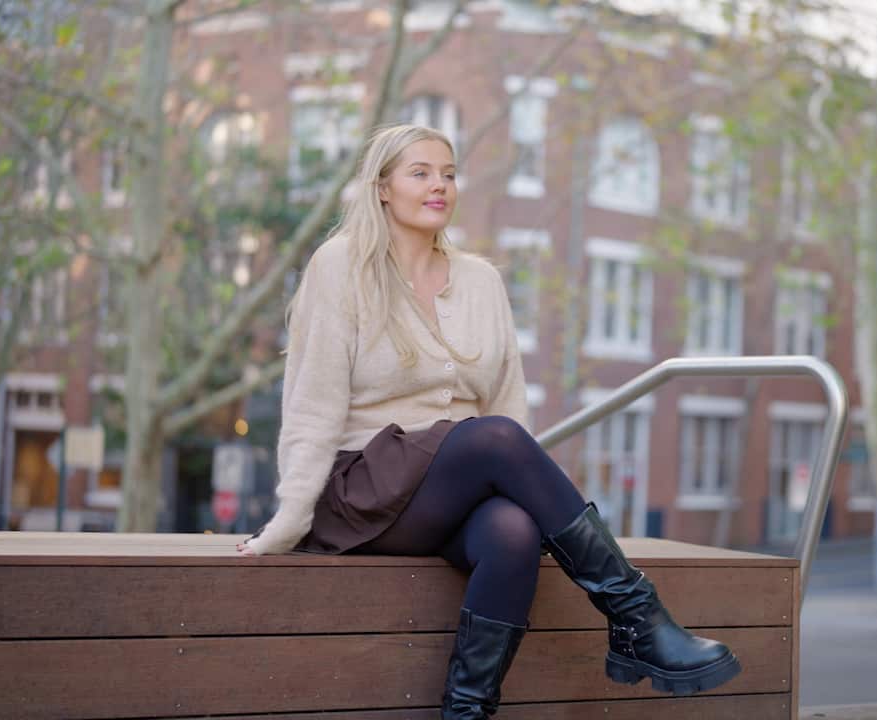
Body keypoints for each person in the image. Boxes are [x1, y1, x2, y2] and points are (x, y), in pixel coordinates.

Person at [236, 124, 740, 719]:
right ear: (381, 189)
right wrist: (289, 519)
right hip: (362, 489)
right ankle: (637, 618)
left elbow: (508, 404)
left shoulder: (480, 280)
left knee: (512, 531)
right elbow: (312, 404)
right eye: (420, 173)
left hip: (444, 489)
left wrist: (524, 494)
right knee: (492, 439)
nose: (439, 186)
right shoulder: (340, 265)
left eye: (448, 173)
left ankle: (468, 711)